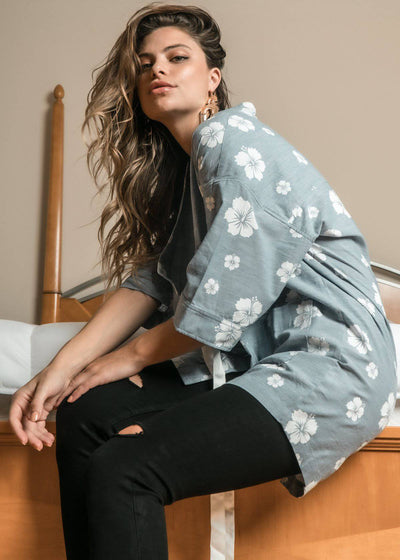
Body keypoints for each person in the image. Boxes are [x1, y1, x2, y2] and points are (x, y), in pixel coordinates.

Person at [9, 3, 398, 559]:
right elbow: (150, 283)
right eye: (146, 64)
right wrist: (58, 372)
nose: (157, 70)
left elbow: (225, 302)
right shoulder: (192, 175)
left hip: (329, 365)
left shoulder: (232, 140)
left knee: (125, 468)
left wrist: (128, 357)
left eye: (177, 57)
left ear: (213, 78)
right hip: (263, 360)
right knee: (86, 411)